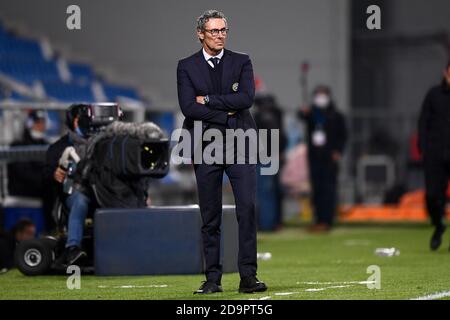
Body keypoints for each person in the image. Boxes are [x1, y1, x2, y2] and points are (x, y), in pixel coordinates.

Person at [177, 10, 267, 294]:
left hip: (241, 144)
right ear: (200, 33)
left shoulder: (242, 61)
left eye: (223, 30)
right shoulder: (186, 66)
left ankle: (248, 277)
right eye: (214, 31)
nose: (220, 35)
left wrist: (210, 102)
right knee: (210, 215)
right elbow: (188, 108)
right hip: (205, 145)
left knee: (247, 210)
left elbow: (246, 98)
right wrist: (227, 113)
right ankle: (212, 279)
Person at [43, 104, 94, 266]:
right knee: (80, 201)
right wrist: (54, 173)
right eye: (80, 119)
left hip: (103, 191)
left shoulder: (102, 143)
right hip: (74, 192)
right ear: (73, 121)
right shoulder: (59, 147)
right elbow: (46, 173)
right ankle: (72, 247)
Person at [298, 85, 347, 232]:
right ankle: (318, 219)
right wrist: (303, 111)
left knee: (329, 189)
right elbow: (301, 116)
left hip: (329, 157)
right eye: (318, 95)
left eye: (323, 94)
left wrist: (338, 151)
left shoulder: (336, 116)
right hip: (314, 156)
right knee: (317, 189)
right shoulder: (312, 113)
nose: (321, 98)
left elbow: (343, 135)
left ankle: (327, 220)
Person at [418, 60, 450, 251]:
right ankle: (438, 225)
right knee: (432, 196)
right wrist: (424, 147)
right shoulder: (434, 95)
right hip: (435, 154)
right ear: (445, 73)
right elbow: (423, 122)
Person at [7, 110, 54, 232]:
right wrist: (43, 179)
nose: (41, 126)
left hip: (43, 196)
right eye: (37, 122)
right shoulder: (18, 146)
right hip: (23, 194)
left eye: (43, 122)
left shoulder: (47, 145)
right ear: (30, 124)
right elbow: (22, 173)